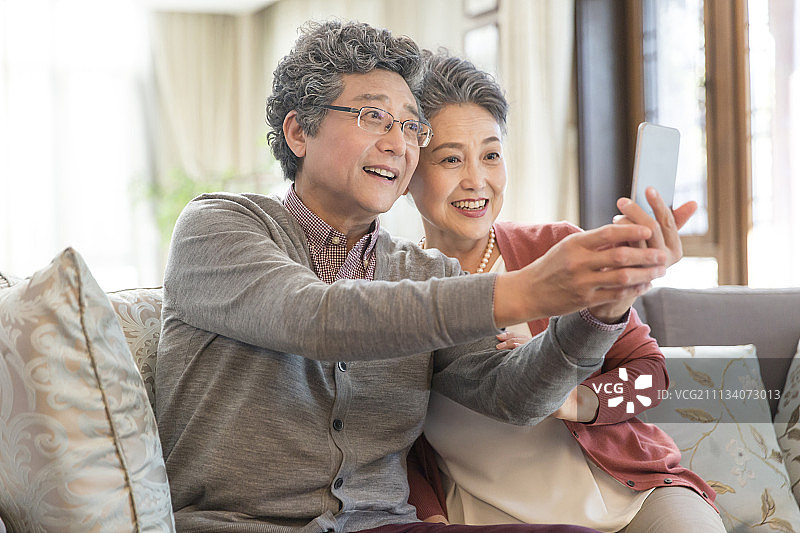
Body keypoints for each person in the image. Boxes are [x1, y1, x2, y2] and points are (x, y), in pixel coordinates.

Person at [155, 20, 674, 533]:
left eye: (409, 126)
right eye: (374, 116)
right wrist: (530, 290)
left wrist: (602, 308)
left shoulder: (425, 271)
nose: (398, 142)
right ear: (297, 132)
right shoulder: (217, 227)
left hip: (386, 525)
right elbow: (317, 317)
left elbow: (514, 398)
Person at [404, 51, 726, 533]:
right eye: (451, 159)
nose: (477, 180)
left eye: (491, 155)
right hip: (489, 514)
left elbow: (652, 374)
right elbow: (384, 441)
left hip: (630, 495)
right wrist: (429, 519)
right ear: (408, 170)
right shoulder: (391, 292)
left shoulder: (556, 246)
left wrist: (576, 400)